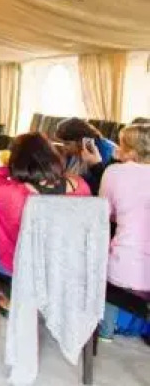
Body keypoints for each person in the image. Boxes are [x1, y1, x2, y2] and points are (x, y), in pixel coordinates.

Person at [0, 132, 91, 278]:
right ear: (53, 157)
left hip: (20, 266)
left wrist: (12, 170)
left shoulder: (11, 193)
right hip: (65, 267)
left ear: (17, 161)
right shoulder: (81, 186)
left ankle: (1, 288)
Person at [83, 124, 150, 340]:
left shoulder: (114, 172)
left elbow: (104, 214)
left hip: (124, 270)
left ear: (129, 150)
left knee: (109, 258)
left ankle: (106, 331)